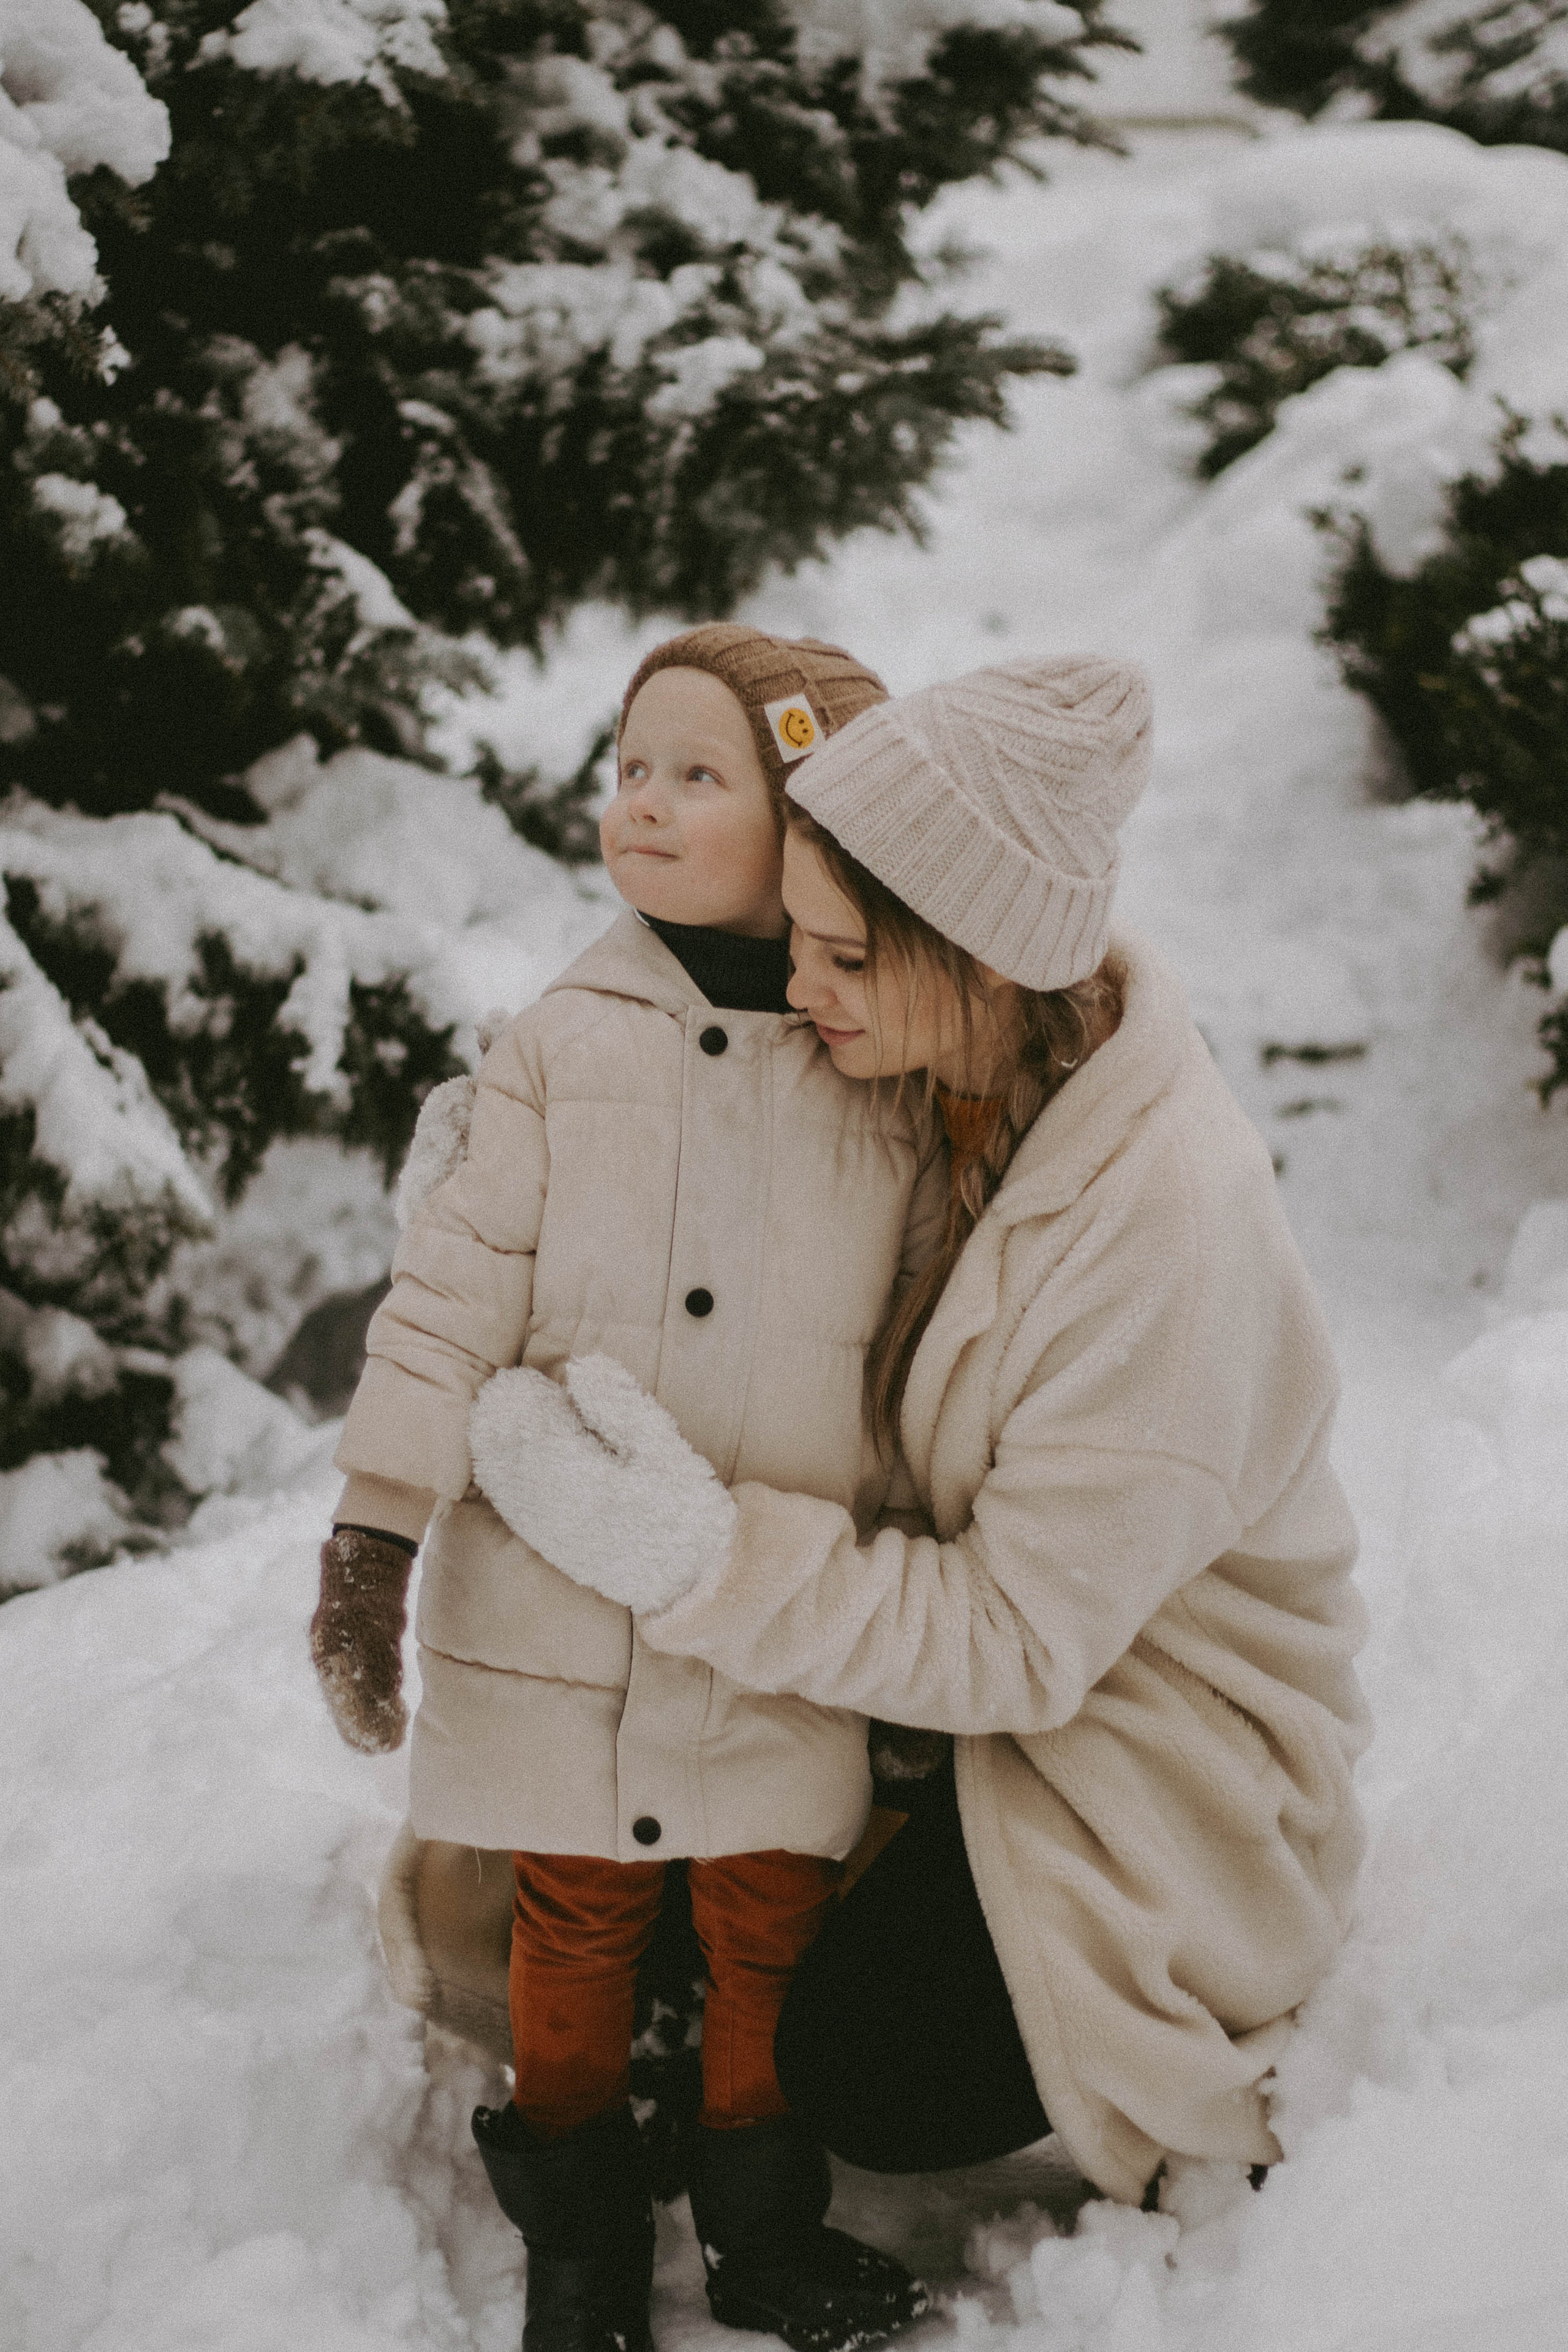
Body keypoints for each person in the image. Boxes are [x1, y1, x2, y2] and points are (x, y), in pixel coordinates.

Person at [470, 652, 1373, 2211]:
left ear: (970, 959)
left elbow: (1022, 1642)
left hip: (1137, 1733)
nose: (797, 989)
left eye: (838, 959)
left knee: (867, 2073)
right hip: (944, 1702)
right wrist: (512, 1176)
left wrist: (694, 1555)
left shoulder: (1165, 1233)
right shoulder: (951, 1066)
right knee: (590, 1856)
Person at [308, 625, 946, 2352]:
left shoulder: (875, 1078)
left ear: (810, 822)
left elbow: (912, 1364)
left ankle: (760, 2220)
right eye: (630, 767)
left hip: (767, 1607)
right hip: (565, 1602)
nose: (643, 806)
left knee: (769, 1920)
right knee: (574, 1919)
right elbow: (446, 1304)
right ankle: (577, 2239)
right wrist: (374, 1527)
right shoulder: (562, 1047)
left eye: (697, 774)